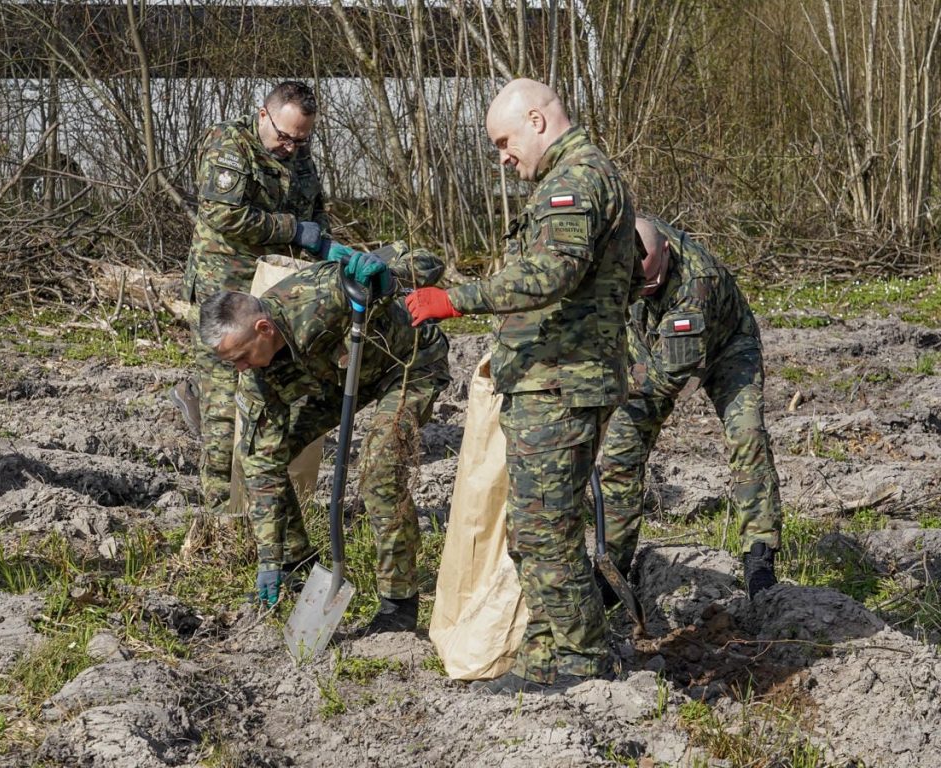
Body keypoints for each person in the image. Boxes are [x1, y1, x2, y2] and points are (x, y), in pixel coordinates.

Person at [406, 79, 639, 694]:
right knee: (537, 528)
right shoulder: (573, 179)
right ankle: (543, 656)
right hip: (552, 379)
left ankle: (585, 661)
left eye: (505, 142)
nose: (503, 158)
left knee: (544, 533)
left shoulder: (576, 181)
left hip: (561, 384)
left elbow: (546, 277)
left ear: (537, 121)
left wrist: (456, 299)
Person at [199, 246, 451, 633]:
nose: (241, 368)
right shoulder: (257, 378)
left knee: (379, 471)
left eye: (243, 356)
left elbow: (430, 263)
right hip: (339, 378)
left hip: (407, 364)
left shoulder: (322, 291)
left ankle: (398, 604)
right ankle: (296, 562)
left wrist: (389, 276)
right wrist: (270, 557)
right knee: (263, 454)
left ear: (263, 329)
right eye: (232, 362)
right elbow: (261, 464)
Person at [599, 215, 781, 599]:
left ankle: (759, 556)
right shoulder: (610, 255)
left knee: (747, 435)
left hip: (726, 349)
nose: (643, 290)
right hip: (647, 348)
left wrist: (614, 382)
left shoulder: (697, 284)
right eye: (634, 284)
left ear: (665, 249)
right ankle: (613, 567)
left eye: (650, 282)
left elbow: (668, 380)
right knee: (619, 454)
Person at [177, 80, 334, 510]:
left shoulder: (300, 155)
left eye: (301, 139)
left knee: (272, 394)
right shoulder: (231, 145)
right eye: (284, 137)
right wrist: (291, 230)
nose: (291, 147)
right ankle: (219, 510)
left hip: (273, 293)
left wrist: (321, 243)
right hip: (224, 290)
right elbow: (223, 213)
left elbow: (315, 210)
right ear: (264, 115)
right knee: (226, 402)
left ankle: (268, 504)